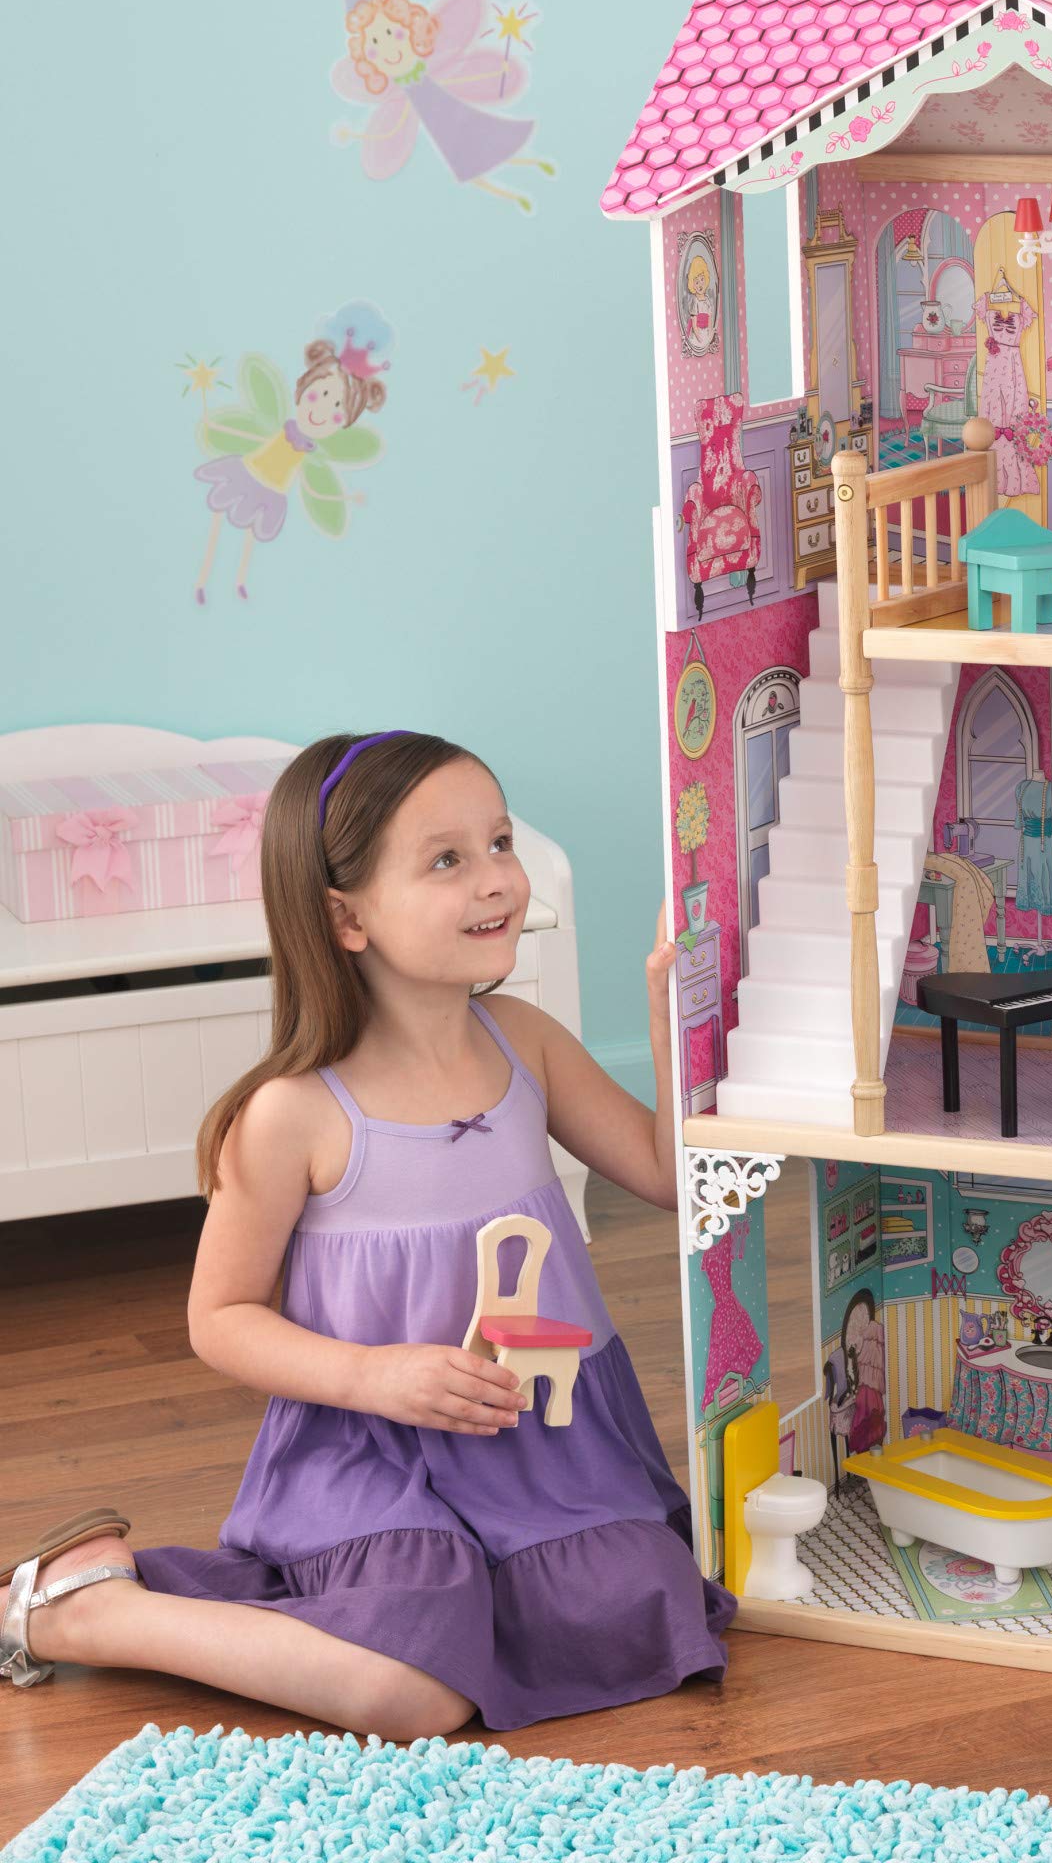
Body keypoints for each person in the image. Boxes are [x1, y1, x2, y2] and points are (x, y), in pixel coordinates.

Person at [0, 732, 733, 1736]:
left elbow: (665, 1176)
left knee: (645, 1598)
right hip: (370, 1452)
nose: (496, 879)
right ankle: (91, 1613)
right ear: (346, 916)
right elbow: (219, 1317)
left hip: (546, 1444)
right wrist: (375, 1376)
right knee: (413, 1690)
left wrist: (669, 1017)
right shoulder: (291, 1113)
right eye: (447, 860)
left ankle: (437, 1609)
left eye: (500, 842)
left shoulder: (526, 1044)